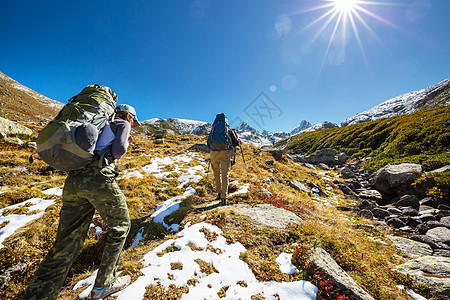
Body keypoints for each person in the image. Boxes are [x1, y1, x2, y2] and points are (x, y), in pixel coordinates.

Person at [23, 104, 141, 300]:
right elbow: (118, 151)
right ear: (128, 116)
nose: (132, 125)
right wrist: (125, 142)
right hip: (98, 179)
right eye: (133, 122)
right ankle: (104, 284)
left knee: (66, 241)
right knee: (120, 226)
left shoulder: (97, 124)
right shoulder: (122, 123)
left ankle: (37, 295)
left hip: (73, 181)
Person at [207, 113, 240, 206]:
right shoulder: (229, 130)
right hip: (225, 153)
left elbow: (208, 142)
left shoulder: (213, 130)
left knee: (216, 173)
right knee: (224, 175)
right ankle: (224, 198)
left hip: (214, 153)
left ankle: (218, 193)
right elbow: (236, 143)